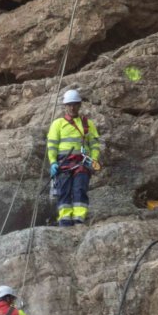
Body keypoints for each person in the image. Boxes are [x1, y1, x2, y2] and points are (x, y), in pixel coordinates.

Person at [47, 89, 101, 227]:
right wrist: (53, 162)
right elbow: (52, 146)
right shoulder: (57, 124)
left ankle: (79, 219)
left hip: (82, 162)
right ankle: (65, 219)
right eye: (69, 104)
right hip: (63, 163)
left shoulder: (87, 124)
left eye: (75, 104)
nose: (72, 107)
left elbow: (94, 144)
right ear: (65, 106)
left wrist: (94, 159)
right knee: (63, 191)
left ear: (79, 105)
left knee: (80, 189)